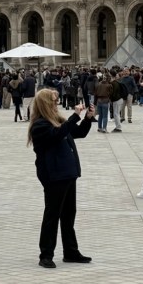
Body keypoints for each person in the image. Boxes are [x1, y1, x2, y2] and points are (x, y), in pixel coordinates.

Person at [28, 88, 94, 268]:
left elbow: (78, 133)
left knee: (68, 214)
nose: (57, 104)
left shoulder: (57, 121)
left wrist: (87, 118)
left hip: (68, 173)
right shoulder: (40, 125)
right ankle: (46, 254)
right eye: (54, 101)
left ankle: (70, 251)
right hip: (54, 174)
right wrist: (75, 116)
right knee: (52, 214)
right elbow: (57, 135)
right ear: (46, 104)